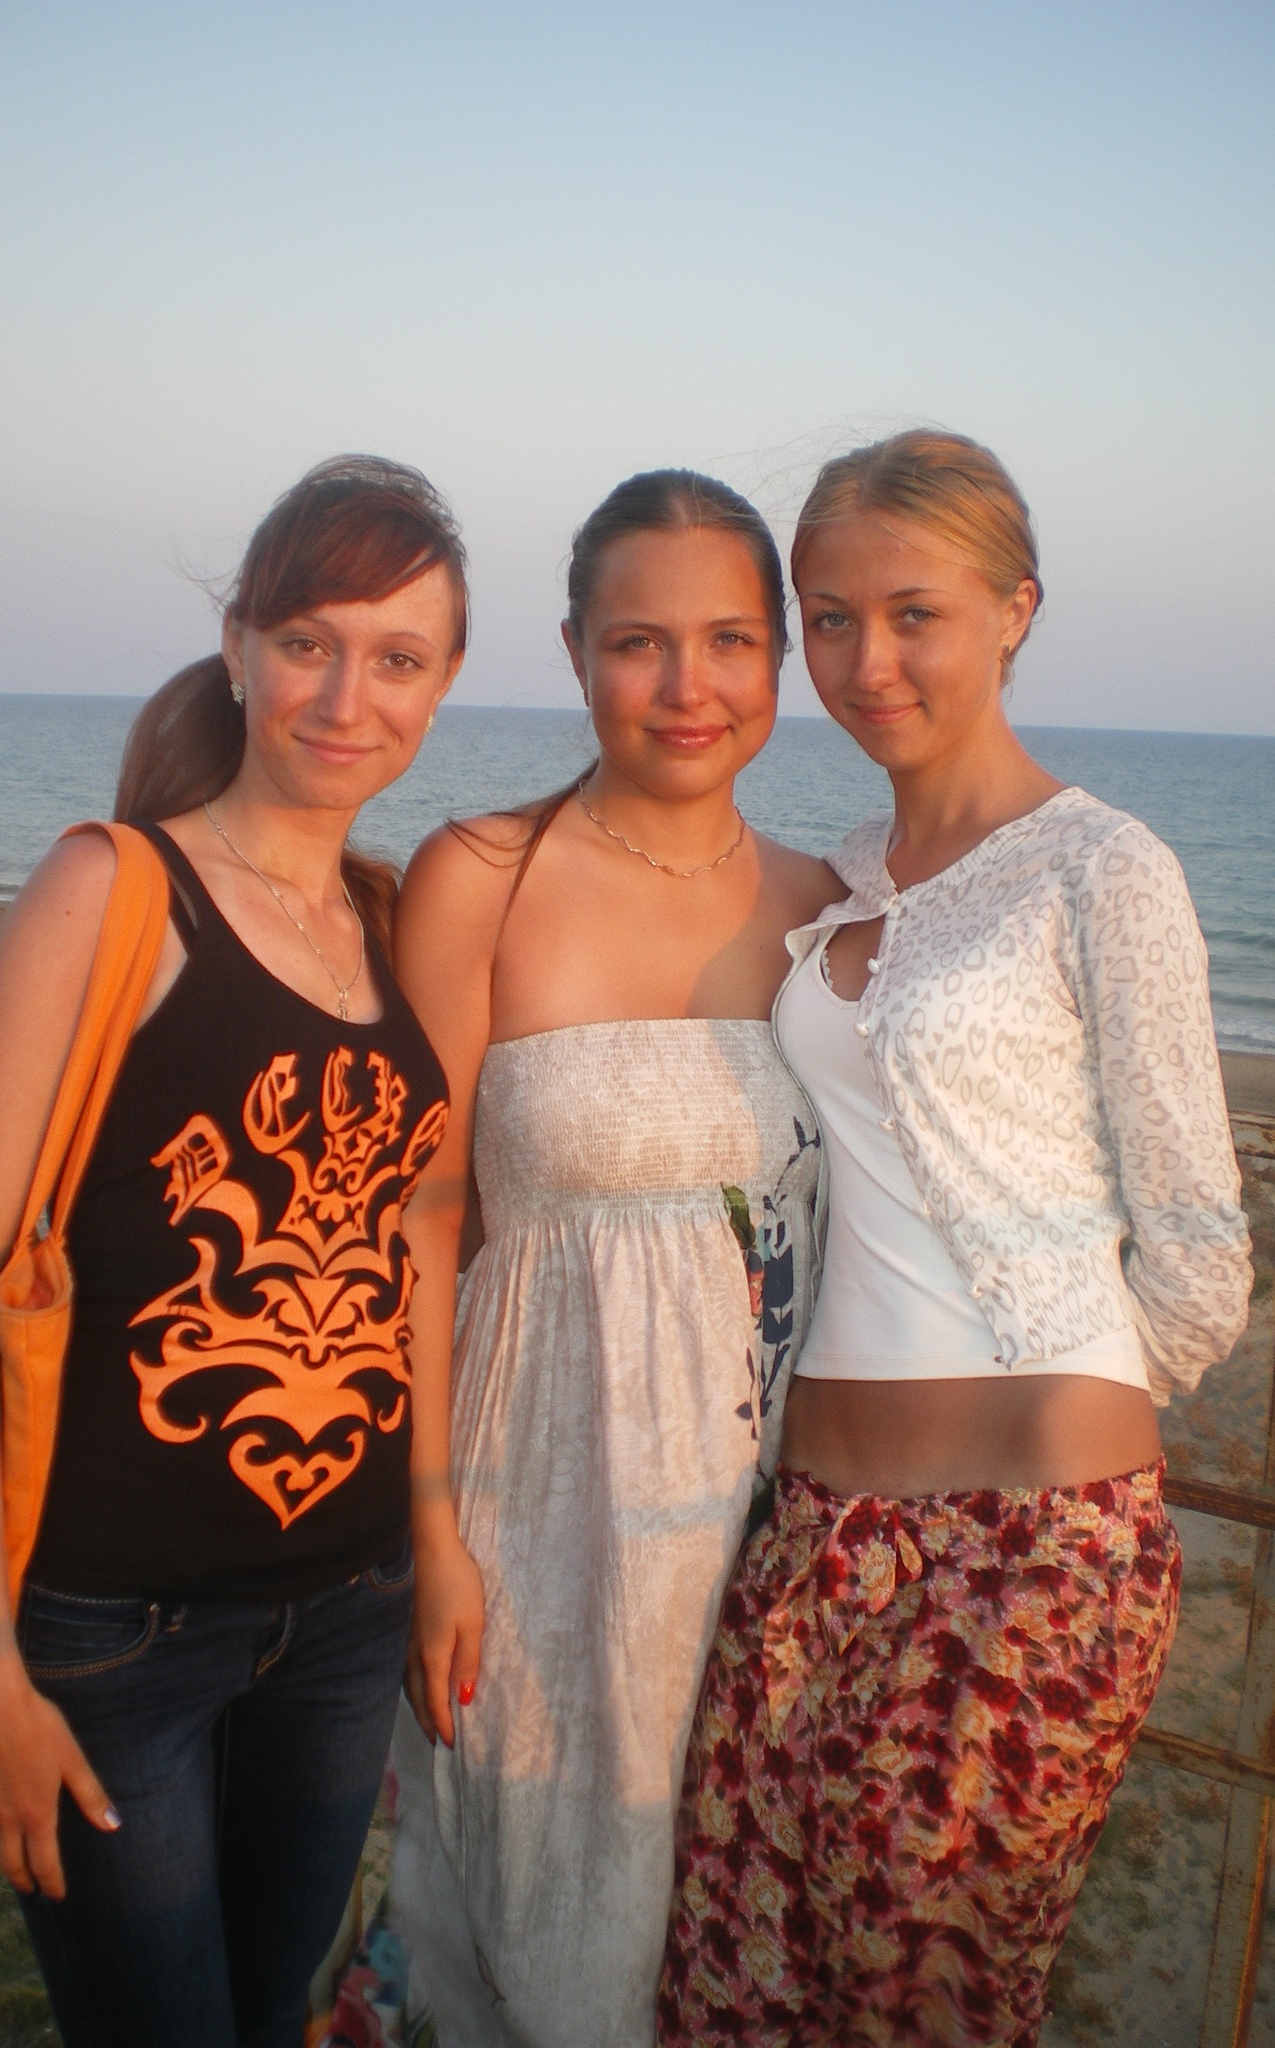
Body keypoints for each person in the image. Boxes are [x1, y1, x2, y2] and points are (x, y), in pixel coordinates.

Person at [658, 430, 1253, 2047]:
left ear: (1016, 611)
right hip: (809, 1535)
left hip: (1030, 1548)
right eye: (830, 619)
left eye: (913, 612)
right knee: (734, 1982)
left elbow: (1199, 1244)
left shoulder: (1104, 869)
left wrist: (1069, 1399)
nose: (869, 661)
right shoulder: (845, 881)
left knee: (919, 2000)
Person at [0, 456, 470, 2048]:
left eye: (399, 658)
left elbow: (412, 1242)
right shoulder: (115, 891)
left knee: (271, 2011)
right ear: (238, 646)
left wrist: (435, 1536)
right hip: (114, 1635)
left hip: (349, 1609)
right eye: (307, 642)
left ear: (441, 686)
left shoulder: (383, 923)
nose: (347, 697)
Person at [387, 470, 839, 2048]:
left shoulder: (826, 910)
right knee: (526, 1900)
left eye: (729, 640)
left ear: (779, 658)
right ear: (577, 651)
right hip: (532, 1500)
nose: (686, 684)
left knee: (717, 1928)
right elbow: (419, 1220)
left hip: (758, 1528)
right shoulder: (481, 876)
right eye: (640, 641)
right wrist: (430, 1531)